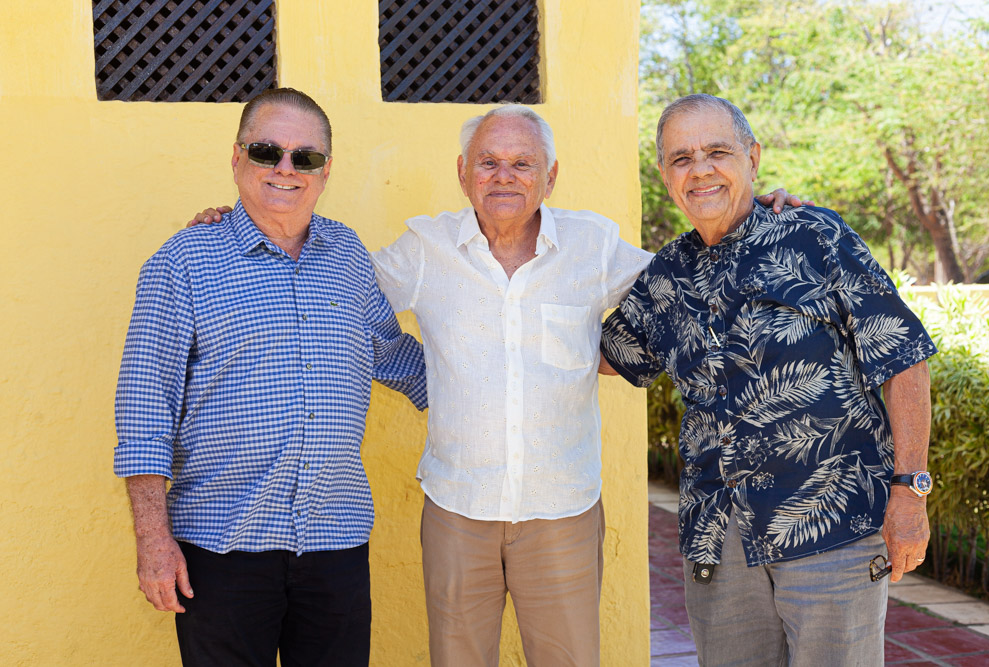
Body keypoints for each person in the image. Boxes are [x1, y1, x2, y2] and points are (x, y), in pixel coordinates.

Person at [189, 104, 805, 666]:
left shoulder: (592, 245)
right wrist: (245, 224)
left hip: (562, 512)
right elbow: (330, 290)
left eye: (522, 163)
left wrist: (757, 216)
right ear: (463, 174)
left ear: (550, 176)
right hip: (457, 511)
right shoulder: (426, 248)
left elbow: (693, 279)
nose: (504, 176)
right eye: (488, 162)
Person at [600, 93, 936, 665]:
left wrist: (910, 490)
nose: (700, 169)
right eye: (681, 158)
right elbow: (605, 356)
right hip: (719, 539)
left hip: (831, 526)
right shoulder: (666, 276)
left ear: (752, 158)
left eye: (717, 152)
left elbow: (904, 358)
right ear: (664, 176)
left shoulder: (815, 236)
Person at [114, 88, 427, 666]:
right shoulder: (183, 261)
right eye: (267, 152)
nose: (286, 168)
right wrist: (153, 540)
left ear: (325, 171)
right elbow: (143, 411)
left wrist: (500, 392)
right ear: (237, 158)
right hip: (221, 548)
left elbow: (392, 355)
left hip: (335, 543)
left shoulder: (347, 254)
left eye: (305, 157)